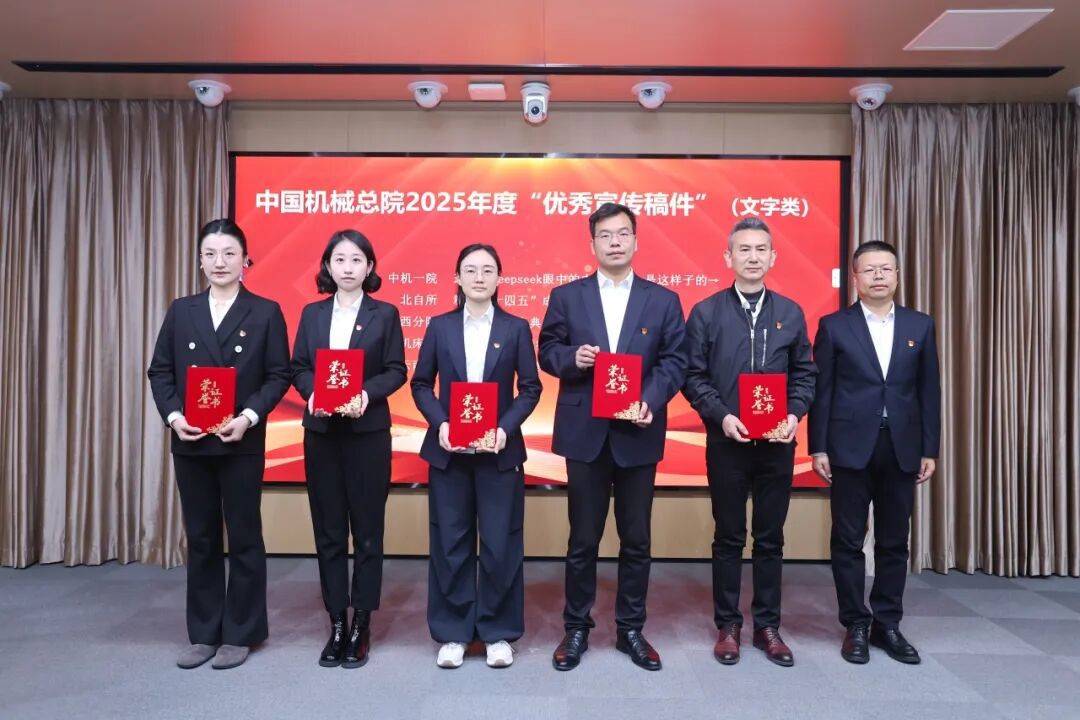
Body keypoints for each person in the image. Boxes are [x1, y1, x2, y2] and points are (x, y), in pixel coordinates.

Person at [538, 202, 687, 672]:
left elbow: (675, 361)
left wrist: (650, 399)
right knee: (582, 539)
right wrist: (573, 359)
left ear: (636, 241)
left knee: (636, 539)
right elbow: (547, 351)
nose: (615, 242)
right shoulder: (567, 296)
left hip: (637, 431)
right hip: (585, 433)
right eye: (606, 235)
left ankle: (631, 629)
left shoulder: (663, 300)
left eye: (623, 233)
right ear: (593, 244)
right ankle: (576, 628)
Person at [148, 218, 291, 670]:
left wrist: (248, 417)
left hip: (240, 441)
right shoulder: (182, 310)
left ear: (245, 260)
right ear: (200, 261)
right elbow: (160, 371)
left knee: (244, 535)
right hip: (192, 442)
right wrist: (175, 418)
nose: (220, 262)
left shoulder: (265, 312)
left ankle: (242, 632)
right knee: (202, 536)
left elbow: (279, 375)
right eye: (210, 254)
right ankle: (204, 632)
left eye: (229, 253)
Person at [682, 216, 816, 667]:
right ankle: (728, 625)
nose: (753, 257)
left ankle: (767, 626)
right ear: (729, 257)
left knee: (771, 537)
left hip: (777, 443)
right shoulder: (706, 312)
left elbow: (805, 375)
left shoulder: (790, 313)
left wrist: (794, 414)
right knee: (728, 536)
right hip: (727, 442)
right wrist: (721, 416)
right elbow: (693, 376)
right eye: (744, 249)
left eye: (761, 249)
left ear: (773, 257)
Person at [809, 240, 940, 665]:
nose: (879, 275)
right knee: (848, 539)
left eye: (886, 268)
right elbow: (823, 391)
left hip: (902, 445)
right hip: (849, 446)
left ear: (897, 275)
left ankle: (888, 623)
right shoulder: (834, 326)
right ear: (855, 278)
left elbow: (929, 391)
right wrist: (818, 446)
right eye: (869, 269)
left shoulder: (920, 325)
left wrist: (930, 448)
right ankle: (856, 624)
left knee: (894, 540)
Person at [411, 243, 541, 669]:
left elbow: (531, 388)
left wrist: (505, 428)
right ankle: (453, 632)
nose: (479, 277)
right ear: (457, 278)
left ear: (499, 278)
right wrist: (441, 424)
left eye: (487, 270)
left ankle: (498, 632)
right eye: (470, 269)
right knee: (450, 543)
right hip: (449, 453)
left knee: (501, 543)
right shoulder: (440, 326)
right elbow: (421, 384)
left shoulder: (516, 328)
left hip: (499, 453)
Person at [290, 229, 407, 668]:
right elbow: (299, 367)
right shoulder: (312, 313)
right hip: (322, 433)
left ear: (370, 267)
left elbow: (396, 369)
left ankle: (362, 624)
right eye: (339, 260)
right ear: (328, 266)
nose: (348, 268)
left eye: (357, 260)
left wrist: (365, 394)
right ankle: (337, 621)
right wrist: (312, 395)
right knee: (329, 531)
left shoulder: (385, 314)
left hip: (367, 433)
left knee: (368, 531)